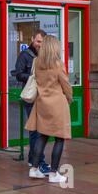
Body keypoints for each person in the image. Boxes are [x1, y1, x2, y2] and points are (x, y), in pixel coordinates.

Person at [25, 35, 73, 183]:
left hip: (42, 103)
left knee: (42, 136)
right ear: (55, 48)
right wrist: (70, 98)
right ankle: (53, 173)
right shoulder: (58, 64)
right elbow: (65, 84)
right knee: (59, 138)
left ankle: (34, 169)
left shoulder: (37, 62)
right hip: (57, 104)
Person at [15, 29, 51, 175]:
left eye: (42, 42)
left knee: (36, 132)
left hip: (43, 97)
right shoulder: (25, 55)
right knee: (36, 131)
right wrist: (33, 77)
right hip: (31, 97)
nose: (39, 45)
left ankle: (32, 159)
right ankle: (39, 162)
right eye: (37, 41)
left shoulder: (46, 56)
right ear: (32, 40)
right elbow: (18, 74)